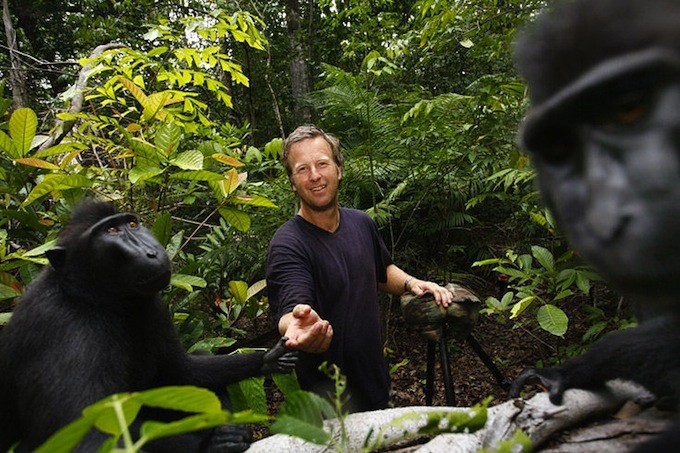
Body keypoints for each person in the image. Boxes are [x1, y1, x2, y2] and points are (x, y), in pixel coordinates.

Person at [265, 125, 453, 412]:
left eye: (322, 164)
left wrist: (411, 283)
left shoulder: (360, 222)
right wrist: (297, 327)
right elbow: (291, 308)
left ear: (339, 169)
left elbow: (381, 270)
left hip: (374, 383)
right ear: (292, 182)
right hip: (328, 402)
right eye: (302, 169)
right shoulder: (288, 244)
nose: (314, 175)